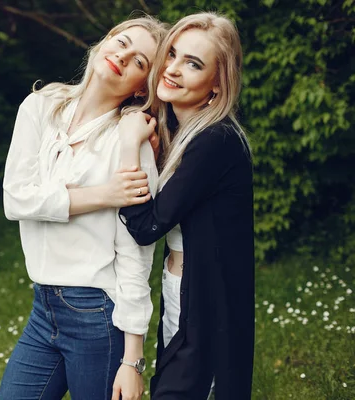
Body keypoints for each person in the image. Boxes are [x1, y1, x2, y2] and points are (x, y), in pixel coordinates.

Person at [0, 15, 168, 400]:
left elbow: (136, 256)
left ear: (142, 87)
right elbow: (16, 199)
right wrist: (104, 195)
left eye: (140, 62)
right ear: (104, 42)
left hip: (97, 314)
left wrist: (132, 360)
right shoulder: (41, 106)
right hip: (43, 308)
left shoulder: (131, 141)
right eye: (122, 42)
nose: (124, 57)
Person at [116, 12, 255, 400]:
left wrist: (129, 146)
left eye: (193, 64)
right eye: (172, 54)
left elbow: (146, 226)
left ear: (217, 83)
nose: (172, 69)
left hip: (207, 302)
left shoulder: (215, 141)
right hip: (184, 288)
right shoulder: (182, 132)